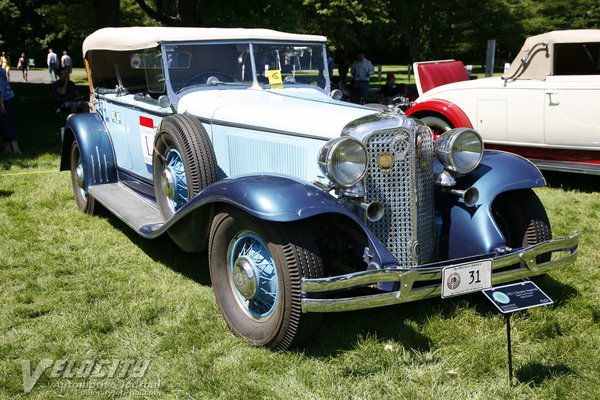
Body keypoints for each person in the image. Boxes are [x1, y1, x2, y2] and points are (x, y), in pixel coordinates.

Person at [0, 67, 21, 154]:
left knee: (6, 125)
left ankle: (16, 149)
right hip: (7, 98)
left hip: (5, 100)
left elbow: (1, 91)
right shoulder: (1, 69)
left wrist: (2, 106)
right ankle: (7, 148)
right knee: (3, 125)